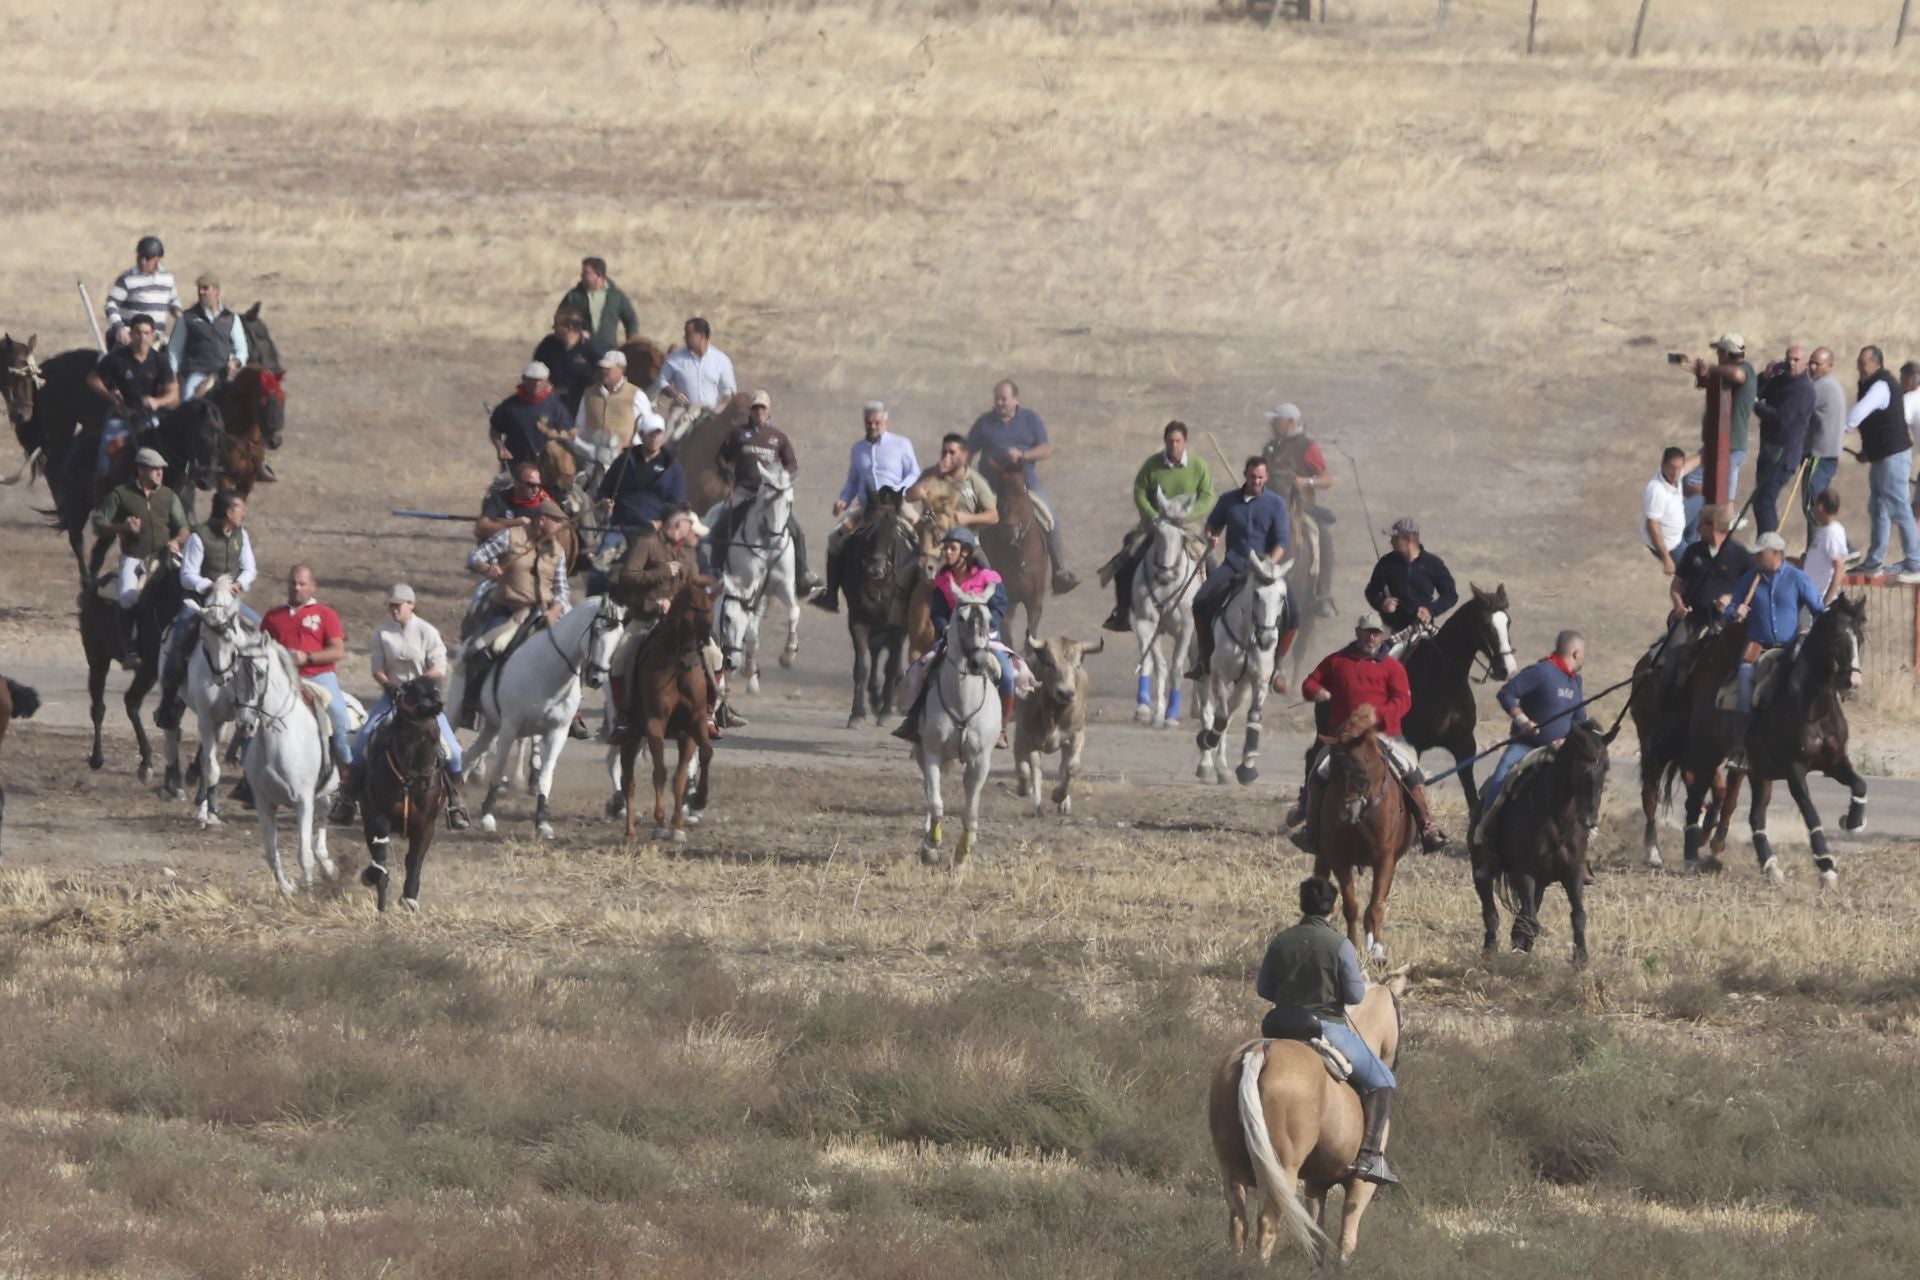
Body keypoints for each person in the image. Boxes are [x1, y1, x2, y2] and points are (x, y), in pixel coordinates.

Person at [1256, 876, 1398, 1187]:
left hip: (1277, 1025)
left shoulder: (1281, 940)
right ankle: (1370, 1159)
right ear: (1333, 909)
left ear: (1302, 906)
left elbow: (1263, 988)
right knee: (1384, 1079)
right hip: (1324, 1028)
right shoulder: (1340, 945)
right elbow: (1355, 997)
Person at [1290, 613, 1448, 855]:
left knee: (1409, 769)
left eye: (1376, 633)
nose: (1371, 637)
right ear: (1357, 632)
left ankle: (1426, 825)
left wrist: (1379, 715)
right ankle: (1311, 829)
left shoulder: (1392, 667)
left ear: (1382, 636)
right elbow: (1309, 683)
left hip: (1384, 735)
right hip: (1345, 737)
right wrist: (1317, 691)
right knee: (1318, 772)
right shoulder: (1336, 661)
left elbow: (1402, 701)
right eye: (1367, 632)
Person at [338, 584, 469, 829]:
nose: (394, 609)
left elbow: (439, 668)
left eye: (398, 605)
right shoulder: (381, 633)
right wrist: (388, 686)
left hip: (423, 702)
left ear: (412, 605)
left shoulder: (427, 632)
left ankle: (456, 802)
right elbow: (377, 669)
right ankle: (346, 800)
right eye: (391, 605)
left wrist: (417, 685)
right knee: (363, 739)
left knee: (452, 750)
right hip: (393, 699)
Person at [605, 504, 729, 744]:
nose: (691, 529)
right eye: (688, 524)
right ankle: (622, 718)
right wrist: (661, 574)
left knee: (715, 656)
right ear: (677, 524)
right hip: (646, 616)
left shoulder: (688, 552)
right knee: (620, 658)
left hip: (681, 621)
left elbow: (691, 585)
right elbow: (628, 575)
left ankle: (709, 714)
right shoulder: (647, 543)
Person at [890, 527, 1021, 746]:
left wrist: (988, 625)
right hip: (953, 638)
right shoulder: (942, 581)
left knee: (1007, 675)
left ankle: (1002, 729)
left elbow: (999, 606)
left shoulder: (988, 578)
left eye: (952, 548)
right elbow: (938, 612)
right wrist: (943, 627)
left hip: (985, 638)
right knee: (923, 669)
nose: (946, 552)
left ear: (966, 553)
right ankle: (914, 720)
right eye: (946, 547)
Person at [458, 499, 572, 728]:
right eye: (556, 522)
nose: (560, 528)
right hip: (509, 610)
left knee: (568, 654)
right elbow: (474, 557)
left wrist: (555, 610)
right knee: (482, 649)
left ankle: (569, 711)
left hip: (542, 614)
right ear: (542, 520)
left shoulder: (557, 551)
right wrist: (488, 568)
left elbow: (562, 590)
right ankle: (470, 705)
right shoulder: (510, 536)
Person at [1184, 456, 1297, 684]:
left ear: (1266, 478)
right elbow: (1211, 525)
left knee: (1294, 612)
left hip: (1266, 569)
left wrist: (1270, 565)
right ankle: (1204, 658)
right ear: (1245, 474)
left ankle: (1278, 666)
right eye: (1252, 476)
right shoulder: (1228, 500)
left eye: (1260, 477)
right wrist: (1211, 536)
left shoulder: (1276, 504)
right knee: (1200, 601)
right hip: (1234, 563)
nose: (1256, 481)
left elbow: (1282, 542)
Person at [154, 489, 259, 730]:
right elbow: (187, 575)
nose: (244, 513)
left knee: (261, 630)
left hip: (231, 603)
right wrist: (209, 585)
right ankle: (168, 704)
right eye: (240, 508)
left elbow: (249, 568)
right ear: (227, 512)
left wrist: (238, 584)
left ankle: (255, 699)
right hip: (202, 603)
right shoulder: (199, 537)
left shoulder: (241, 535)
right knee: (179, 637)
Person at [964, 380, 1080, 594]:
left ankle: (1060, 571)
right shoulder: (984, 423)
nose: (999, 403)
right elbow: (968, 452)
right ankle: (964, 571)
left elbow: (1045, 449)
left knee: (1050, 519)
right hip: (990, 487)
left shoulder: (1030, 419)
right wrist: (965, 476)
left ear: (1015, 399)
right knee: (967, 522)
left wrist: (1023, 455)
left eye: (1003, 398)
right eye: (996, 398)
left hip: (1024, 486)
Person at [1101, 420, 1215, 633]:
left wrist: (1189, 514)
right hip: (1154, 527)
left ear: (1185, 442)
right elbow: (1140, 491)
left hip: (1186, 528)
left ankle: (1211, 612)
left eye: (1178, 441)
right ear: (1165, 442)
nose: (1174, 445)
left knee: (1211, 563)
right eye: (1170, 441)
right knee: (1127, 560)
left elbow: (1207, 495)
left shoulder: (1198, 466)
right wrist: (1153, 516)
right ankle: (1122, 612)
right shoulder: (1152, 465)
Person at [1476, 630, 1597, 831]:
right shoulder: (1541, 671)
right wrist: (1523, 721)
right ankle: (1485, 826)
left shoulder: (1576, 681)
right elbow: (1506, 694)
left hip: (1561, 751)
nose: (1584, 657)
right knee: (1502, 774)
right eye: (1583, 652)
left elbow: (1579, 718)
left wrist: (1568, 741)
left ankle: (1587, 825)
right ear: (1576, 653)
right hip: (1526, 746)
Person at [258, 564, 354, 819]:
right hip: (283, 680)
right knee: (253, 716)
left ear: (313, 586)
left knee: (339, 718)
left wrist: (306, 657)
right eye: (292, 583)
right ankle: (251, 778)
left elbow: (337, 651)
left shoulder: (325, 614)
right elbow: (261, 649)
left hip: (319, 676)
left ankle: (349, 780)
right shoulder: (273, 616)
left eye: (301, 583)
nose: (296, 588)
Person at [708, 389, 823, 598]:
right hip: (745, 488)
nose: (759, 411)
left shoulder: (778, 437)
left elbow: (792, 464)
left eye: (762, 408)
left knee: (795, 529)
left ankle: (802, 574)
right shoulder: (737, 433)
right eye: (755, 408)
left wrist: (783, 479)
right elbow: (720, 458)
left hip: (770, 492)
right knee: (724, 518)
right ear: (750, 411)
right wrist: (727, 474)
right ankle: (716, 567)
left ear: (769, 410)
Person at [1725, 532, 1826, 755]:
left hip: (1791, 648)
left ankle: (1821, 733)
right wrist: (1735, 612)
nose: (1755, 558)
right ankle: (1740, 744)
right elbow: (1729, 610)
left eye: (1760, 554)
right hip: (1758, 648)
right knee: (1744, 681)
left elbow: (1819, 610)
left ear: (1776, 554)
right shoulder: (1749, 580)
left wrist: (1814, 631)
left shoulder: (1797, 578)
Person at [816, 401, 921, 613]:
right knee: (835, 538)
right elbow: (853, 480)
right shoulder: (858, 449)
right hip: (867, 508)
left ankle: (925, 594)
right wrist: (843, 500)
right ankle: (831, 595)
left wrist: (898, 489)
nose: (872, 426)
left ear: (885, 421)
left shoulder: (901, 444)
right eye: (868, 422)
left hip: (896, 505)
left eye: (877, 422)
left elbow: (914, 472)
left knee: (921, 534)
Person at [89, 446, 190, 667]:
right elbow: (98, 524)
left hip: (165, 556)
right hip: (134, 559)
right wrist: (121, 526)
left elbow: (184, 528)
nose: (160, 473)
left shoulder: (168, 496)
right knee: (127, 597)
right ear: (141, 470)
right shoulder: (121, 495)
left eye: (161, 470)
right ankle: (130, 649)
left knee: (189, 589)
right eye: (155, 469)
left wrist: (176, 541)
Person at [1844, 345, 1920, 580]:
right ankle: (1874, 561)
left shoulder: (1880, 385)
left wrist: (1837, 433)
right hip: (1881, 456)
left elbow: (1859, 414)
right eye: (1858, 361)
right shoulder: (1871, 385)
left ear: (1877, 364)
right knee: (1878, 508)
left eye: (1863, 362)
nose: (1859, 366)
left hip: (1893, 457)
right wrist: (1868, 451)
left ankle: (1915, 563)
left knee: (1899, 507)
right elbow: (1877, 423)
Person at [1261, 403, 1338, 618]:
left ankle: (1322, 594)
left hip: (1299, 506)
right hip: (1268, 505)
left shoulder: (1307, 447)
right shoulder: (1270, 448)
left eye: (1276, 421)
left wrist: (1307, 481)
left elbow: (1329, 478)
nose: (1273, 426)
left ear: (1291, 423)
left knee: (1323, 533)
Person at [592, 418, 685, 595]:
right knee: (597, 571)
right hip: (622, 526)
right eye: (650, 433)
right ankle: (590, 609)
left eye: (658, 433)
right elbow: (603, 491)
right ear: (641, 435)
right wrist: (605, 502)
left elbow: (679, 505)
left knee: (667, 575)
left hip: (654, 534)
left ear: (664, 435)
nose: (654, 438)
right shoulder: (624, 460)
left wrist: (663, 523)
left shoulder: (672, 466)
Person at [87, 313, 180, 482]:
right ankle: (102, 500)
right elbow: (92, 378)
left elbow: (173, 392)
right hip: (121, 416)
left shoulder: (160, 360)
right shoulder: (117, 358)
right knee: (104, 458)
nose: (142, 337)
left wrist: (157, 401)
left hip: (149, 419)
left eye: (146, 333)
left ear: (153, 336)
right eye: (137, 332)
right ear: (131, 335)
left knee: (168, 456)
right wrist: (108, 395)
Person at [1680, 333, 1755, 539]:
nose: (1717, 355)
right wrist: (1693, 366)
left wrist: (1710, 367)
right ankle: (1717, 518)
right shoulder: (1727, 374)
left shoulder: (1744, 369)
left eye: (1719, 351)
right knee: (1711, 487)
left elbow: (1738, 375)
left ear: (1727, 352)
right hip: (1721, 444)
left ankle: (1720, 517)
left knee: (1699, 484)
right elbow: (1711, 381)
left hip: (1728, 445)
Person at [1750, 345, 1813, 537]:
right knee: (1760, 501)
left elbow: (1781, 419)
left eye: (1796, 360)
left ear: (1805, 364)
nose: (1791, 364)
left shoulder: (1803, 389)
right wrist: (1764, 377)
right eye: (1789, 359)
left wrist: (1754, 405)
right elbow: (1759, 391)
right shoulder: (1780, 380)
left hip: (1784, 455)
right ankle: (1765, 545)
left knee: (1765, 501)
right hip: (1769, 449)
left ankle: (1770, 548)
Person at [1364, 517, 1458, 640]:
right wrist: (1382, 603)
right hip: (1392, 630)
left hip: (1423, 630)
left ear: (1408, 539)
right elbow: (1371, 592)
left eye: (1395, 538)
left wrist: (1431, 610)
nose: (1391, 542)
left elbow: (1450, 594)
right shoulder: (1385, 564)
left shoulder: (1433, 564)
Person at [168, 272, 247, 401]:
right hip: (197, 375)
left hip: (224, 375)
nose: (201, 292)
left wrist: (237, 362)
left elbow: (241, 349)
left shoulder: (231, 318)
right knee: (189, 401)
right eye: (199, 288)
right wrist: (173, 374)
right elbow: (175, 349)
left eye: (205, 288)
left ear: (216, 291)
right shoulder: (187, 317)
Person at [488, 362, 575, 472]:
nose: (536, 384)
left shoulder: (556, 408)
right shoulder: (510, 405)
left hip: (546, 468)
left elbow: (567, 435)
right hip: (515, 465)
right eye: (532, 380)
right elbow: (495, 429)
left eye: (540, 380)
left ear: (546, 381)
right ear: (524, 380)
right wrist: (500, 448)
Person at [574, 349, 648, 475]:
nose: (604, 371)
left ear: (622, 369)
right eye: (603, 368)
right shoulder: (589, 394)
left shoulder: (636, 395)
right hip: (592, 461)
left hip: (623, 462)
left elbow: (646, 427)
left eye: (609, 368)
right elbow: (581, 426)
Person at [905, 433, 1000, 530]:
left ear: (964, 455)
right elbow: (909, 497)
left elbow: (994, 516)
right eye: (944, 452)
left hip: (962, 534)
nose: (947, 456)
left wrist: (968, 518)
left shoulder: (974, 480)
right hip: (933, 532)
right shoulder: (930, 474)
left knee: (955, 544)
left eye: (952, 452)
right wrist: (935, 474)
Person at [104, 235, 182, 347]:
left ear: (157, 258)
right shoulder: (128, 278)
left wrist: (179, 314)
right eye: (140, 257)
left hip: (157, 341)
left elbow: (173, 300)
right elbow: (110, 304)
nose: (143, 261)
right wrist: (119, 328)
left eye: (147, 258)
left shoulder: (167, 278)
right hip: (131, 341)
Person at [1803, 346, 1847, 546]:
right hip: (1827, 452)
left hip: (1820, 452)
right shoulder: (1828, 384)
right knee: (1817, 502)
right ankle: (1819, 546)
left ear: (1829, 366)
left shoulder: (1822, 386)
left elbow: (1798, 405)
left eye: (1817, 363)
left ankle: (1841, 545)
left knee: (1815, 504)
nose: (1812, 367)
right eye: (1810, 362)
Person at [531, 308, 605, 418]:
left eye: (557, 324)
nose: (553, 328)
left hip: (581, 405)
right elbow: (536, 367)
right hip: (552, 401)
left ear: (569, 328)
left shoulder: (590, 348)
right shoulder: (547, 344)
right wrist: (544, 383)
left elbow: (604, 371)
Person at [654, 317, 737, 414]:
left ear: (701, 336)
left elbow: (729, 390)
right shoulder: (675, 358)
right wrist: (673, 393)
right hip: (683, 412)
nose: (685, 339)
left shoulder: (721, 360)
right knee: (670, 428)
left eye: (688, 335)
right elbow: (661, 380)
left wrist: (719, 410)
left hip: (712, 413)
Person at [559, 257, 641, 350]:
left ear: (598, 275)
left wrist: (631, 343)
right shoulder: (574, 296)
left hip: (608, 351)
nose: (581, 276)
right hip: (581, 351)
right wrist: (575, 333)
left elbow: (631, 320)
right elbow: (560, 319)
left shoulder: (616, 296)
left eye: (586, 273)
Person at [1639, 446, 1697, 577]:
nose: (1676, 473)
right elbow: (1652, 526)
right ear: (1662, 465)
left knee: (1700, 499)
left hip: (1677, 525)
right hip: (1670, 543)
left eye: (1678, 468)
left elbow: (1690, 463)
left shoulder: (1675, 474)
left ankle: (1692, 541)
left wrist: (1705, 450)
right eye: (1671, 467)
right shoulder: (1656, 492)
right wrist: (1666, 557)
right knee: (1692, 573)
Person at [1803, 489, 1849, 605]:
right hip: (1811, 597)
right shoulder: (1825, 532)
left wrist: (1825, 602)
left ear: (1820, 507)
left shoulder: (1832, 533)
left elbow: (1839, 568)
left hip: (1819, 598)